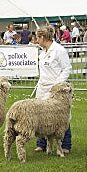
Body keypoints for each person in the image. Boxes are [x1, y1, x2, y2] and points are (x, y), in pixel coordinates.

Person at [34, 26, 72, 154]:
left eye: (37, 38)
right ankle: (41, 143)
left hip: (56, 88)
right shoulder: (42, 51)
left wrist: (58, 85)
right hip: (43, 86)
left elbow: (66, 68)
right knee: (41, 114)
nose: (36, 41)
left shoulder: (59, 50)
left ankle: (66, 144)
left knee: (61, 115)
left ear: (42, 38)